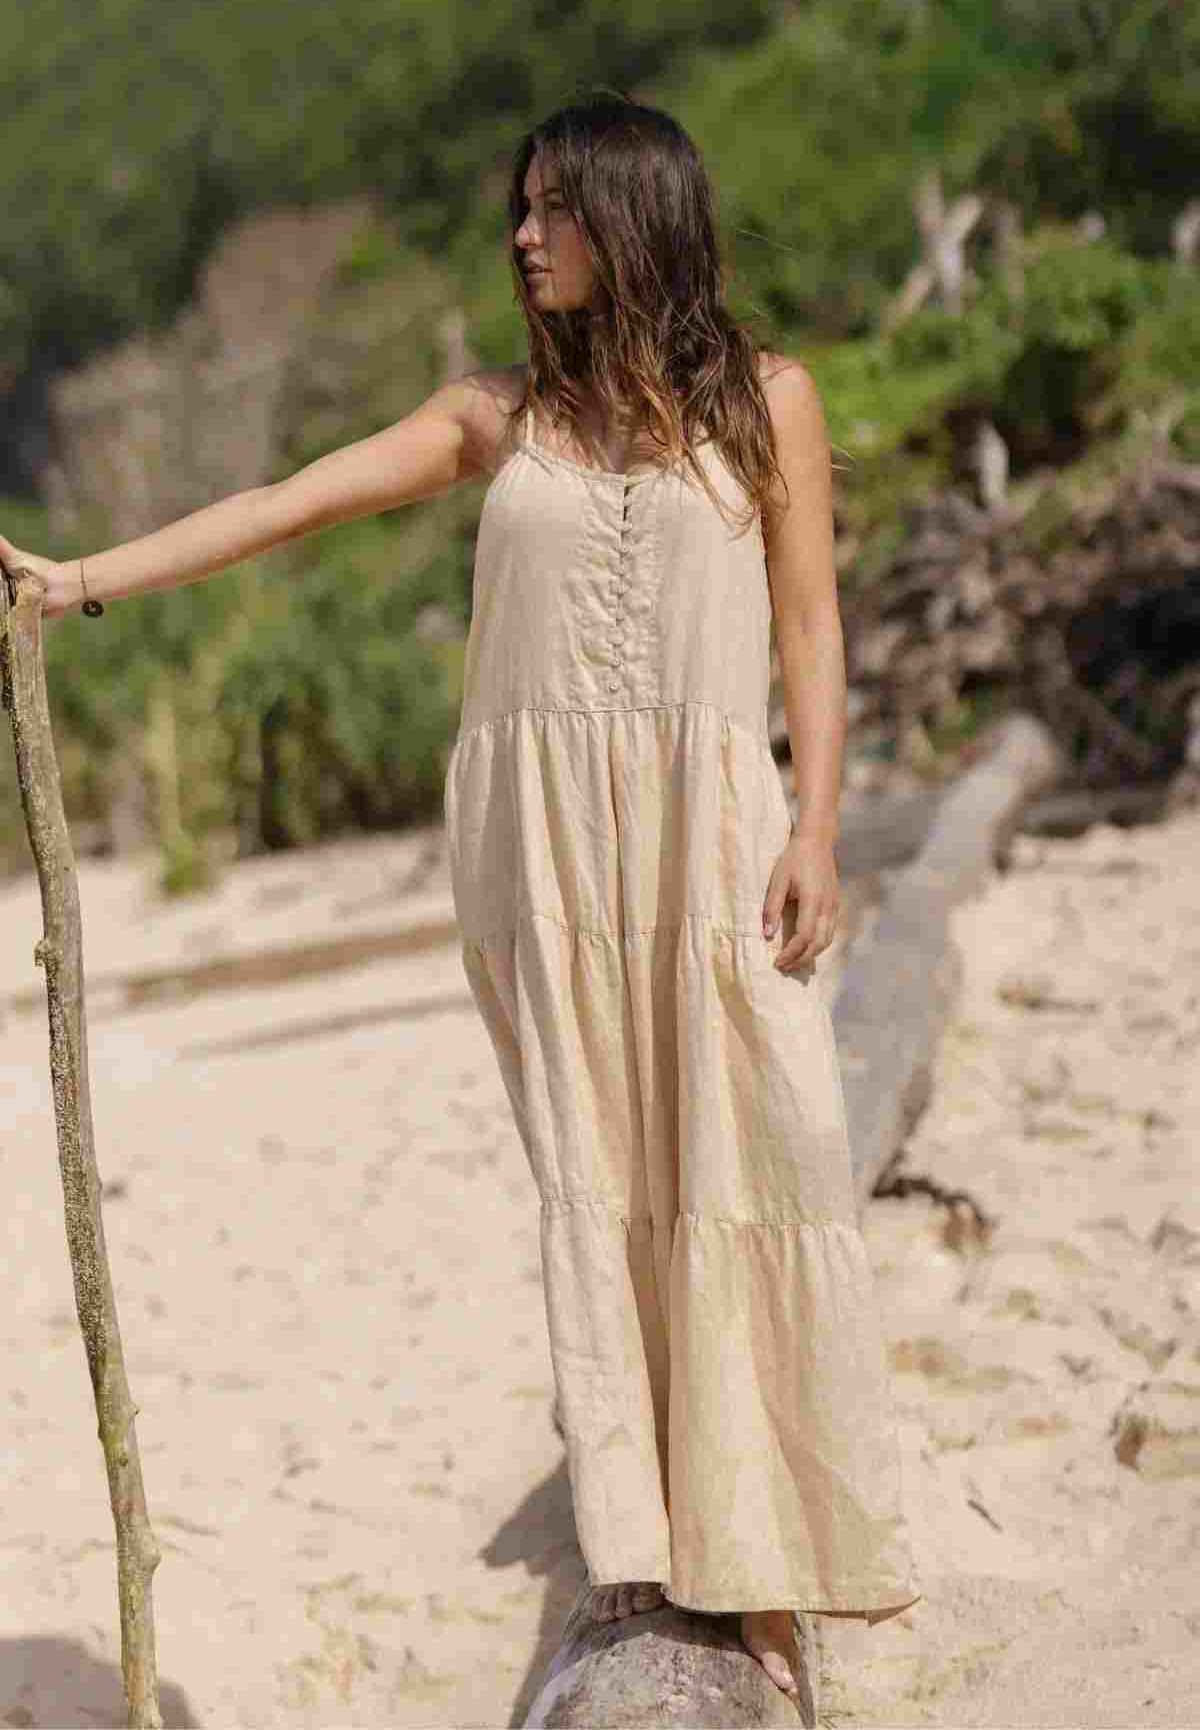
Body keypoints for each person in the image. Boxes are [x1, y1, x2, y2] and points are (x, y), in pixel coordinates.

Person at [0, 88, 921, 1696]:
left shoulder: (772, 400)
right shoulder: (498, 418)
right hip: (541, 846)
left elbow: (814, 626)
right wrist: (82, 579)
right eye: (520, 208)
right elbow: (290, 502)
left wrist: (820, 826)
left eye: (552, 209)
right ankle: (646, 1547)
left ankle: (771, 1560)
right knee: (602, 1169)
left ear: (636, 217)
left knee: (752, 1140)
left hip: (714, 823)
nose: (521, 236)